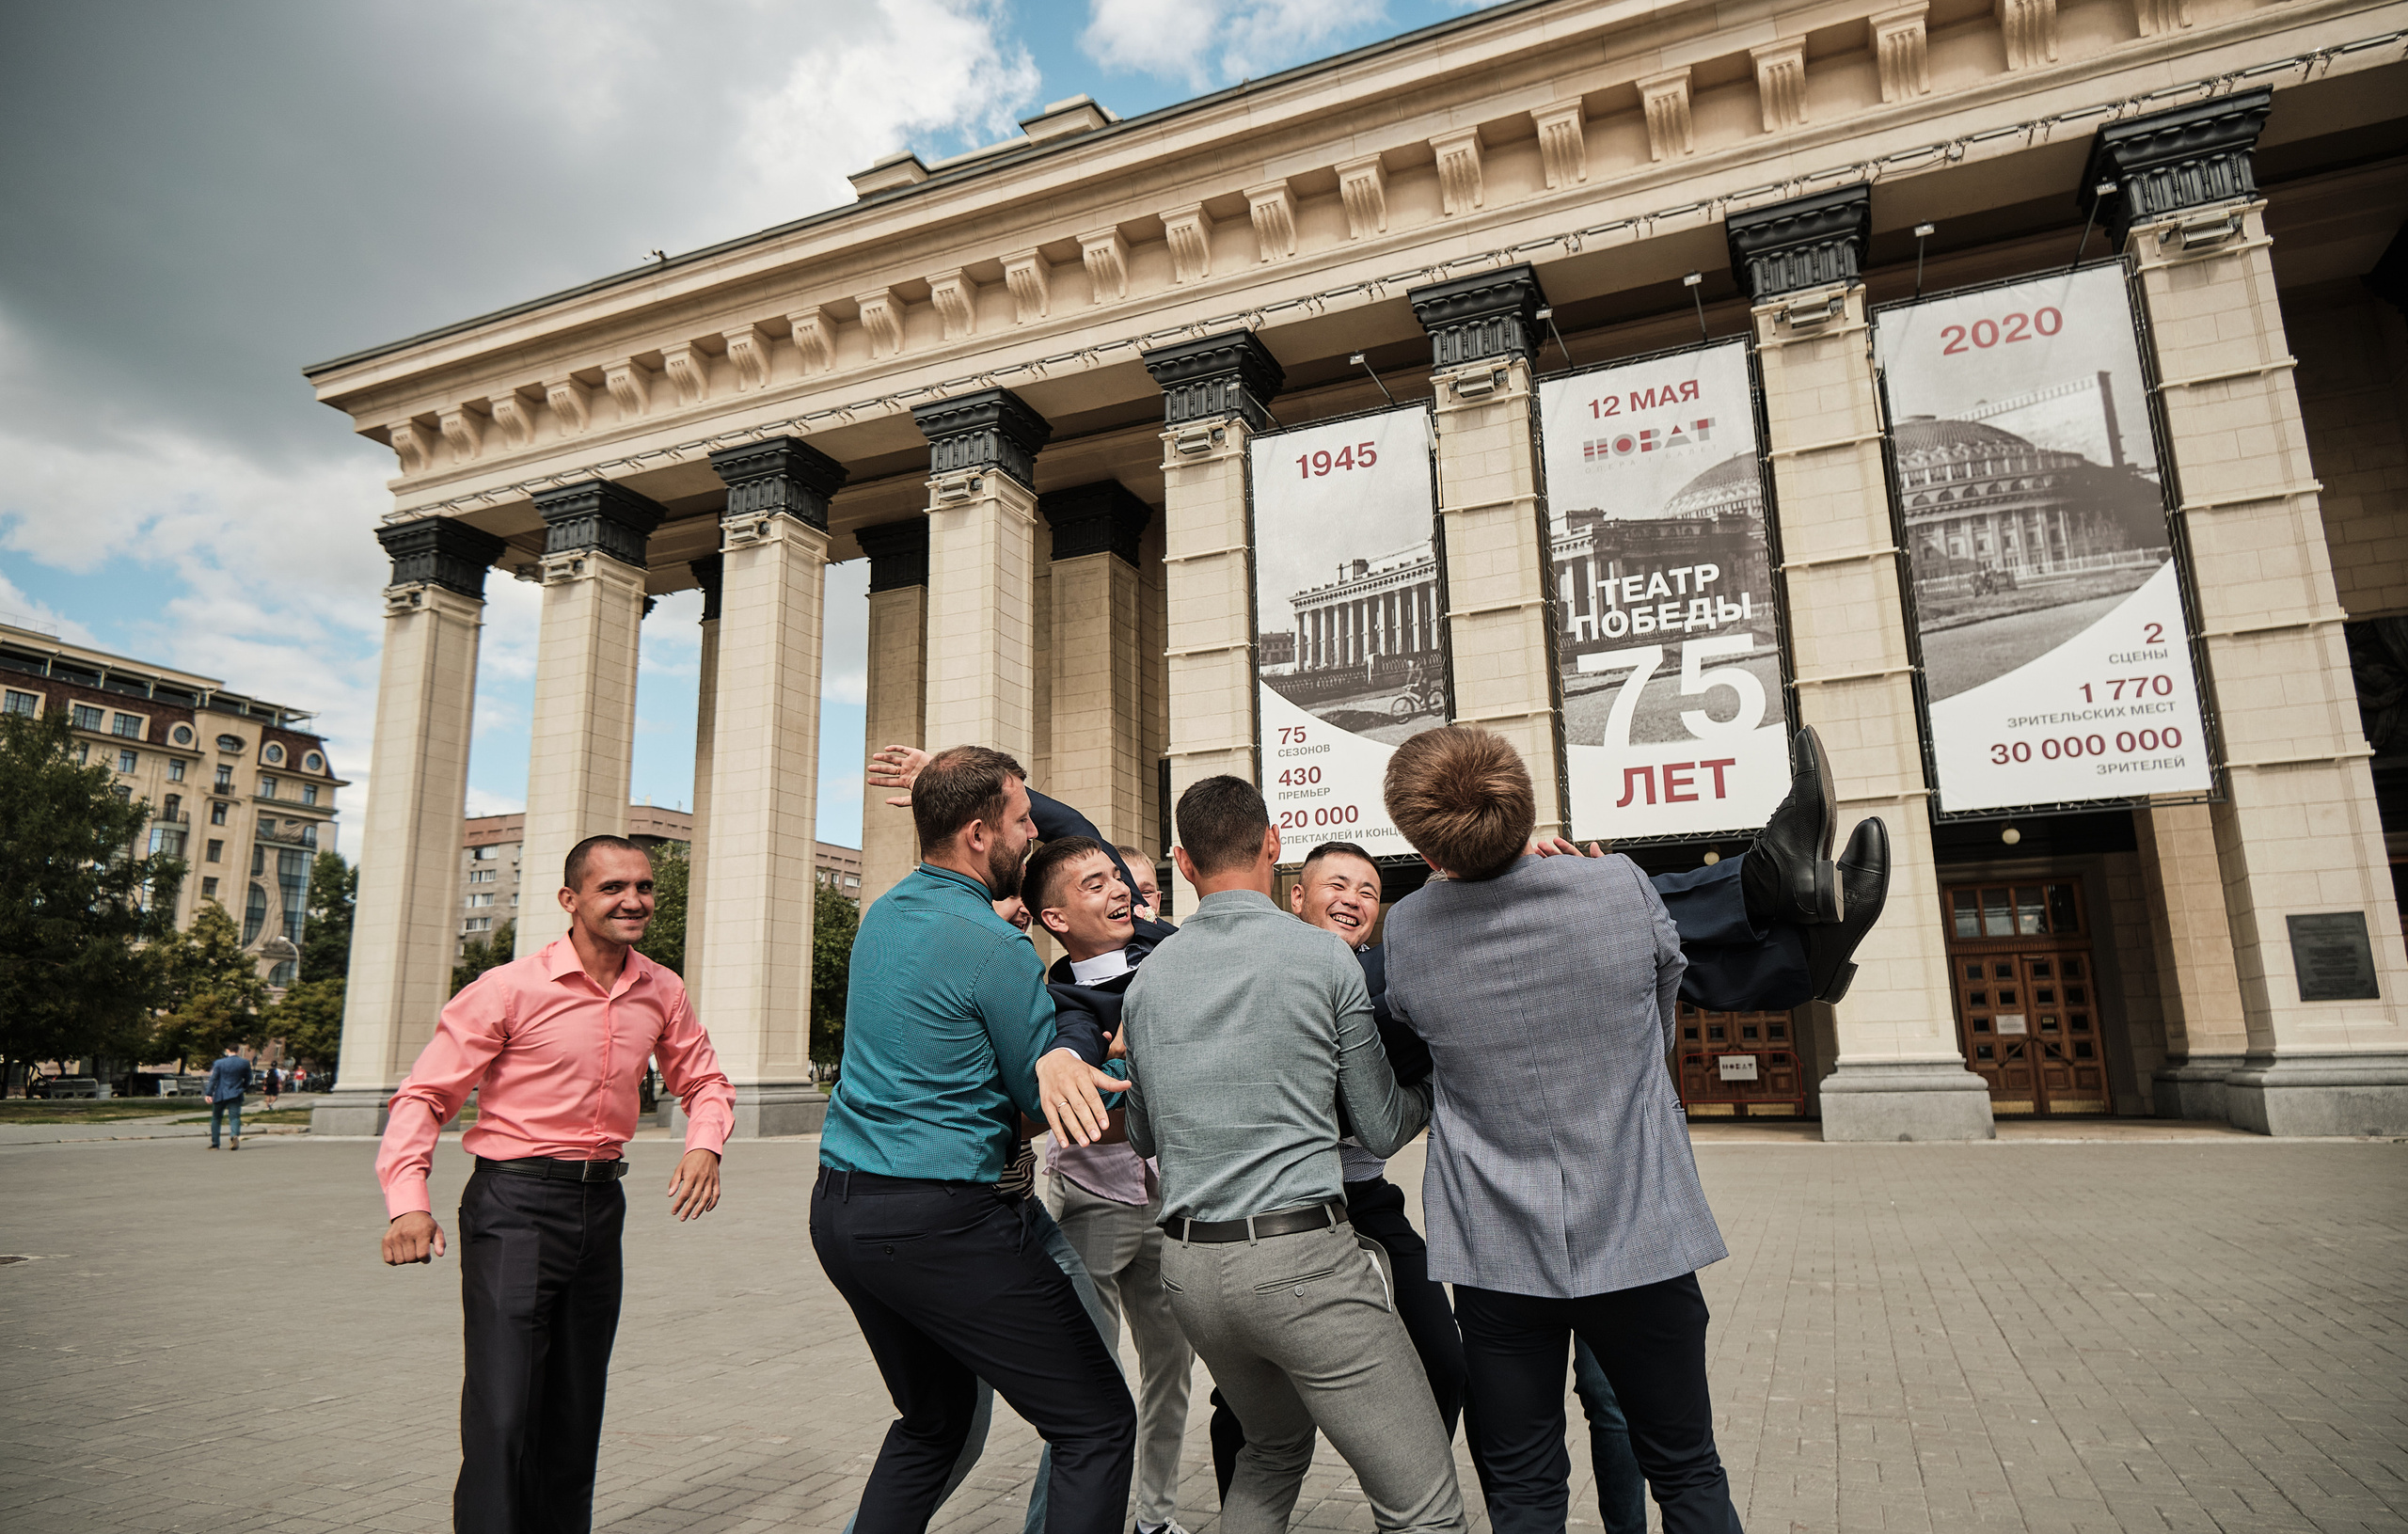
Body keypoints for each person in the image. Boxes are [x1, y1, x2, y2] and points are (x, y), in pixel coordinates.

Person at [1379, 726, 1890, 1534]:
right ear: (1528, 810)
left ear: (1421, 846)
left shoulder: (1407, 929)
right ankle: (1785, 916)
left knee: (1523, 1490)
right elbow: (1660, 1026)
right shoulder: (1616, 882)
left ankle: (1787, 915)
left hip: (1495, 1254)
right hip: (1639, 1230)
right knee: (1687, 1471)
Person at [1121, 776, 1464, 1534]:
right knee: (1425, 1509)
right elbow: (1380, 1126)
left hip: (1190, 1270)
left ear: (1183, 862)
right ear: (1273, 847)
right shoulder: (1323, 959)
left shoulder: (1148, 980)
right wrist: (1438, 1085)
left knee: (1271, 1453)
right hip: (1302, 1261)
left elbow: (1143, 1137)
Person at [814, 745, 1138, 1534]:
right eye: (1022, 821)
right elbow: (1046, 1101)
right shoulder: (996, 947)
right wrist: (1117, 1060)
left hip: (843, 1212)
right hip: (945, 1222)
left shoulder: (884, 913)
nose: (1032, 835)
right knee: (1095, 1425)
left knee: (934, 1423)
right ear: (978, 834)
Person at [374, 834, 737, 1534]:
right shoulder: (508, 989)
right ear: (570, 899)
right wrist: (407, 1204)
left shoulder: (662, 988)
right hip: (514, 1206)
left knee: (575, 1408)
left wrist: (705, 1143)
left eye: (644, 886)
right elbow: (425, 1095)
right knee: (504, 1410)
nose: (634, 900)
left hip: (600, 1206)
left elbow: (704, 1080)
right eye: (613, 887)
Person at [1022, 835, 1196, 1534]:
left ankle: (1154, 1517)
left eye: (1138, 887)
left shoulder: (1170, 960)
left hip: (1169, 1201)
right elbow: (1081, 1116)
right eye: (1102, 885)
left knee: (1171, 1371)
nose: (1130, 896)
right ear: (1058, 916)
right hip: (1092, 1200)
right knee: (1090, 1383)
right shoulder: (1060, 997)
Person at [204, 1045, 247, 1150]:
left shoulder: (219, 1063)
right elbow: (249, 1078)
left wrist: (209, 1093)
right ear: (238, 1051)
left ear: (227, 1050)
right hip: (236, 1094)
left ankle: (215, 1143)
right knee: (235, 1117)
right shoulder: (244, 1063)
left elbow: (213, 1079)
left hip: (220, 1094)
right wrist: (242, 1088)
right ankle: (234, 1135)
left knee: (216, 1118)